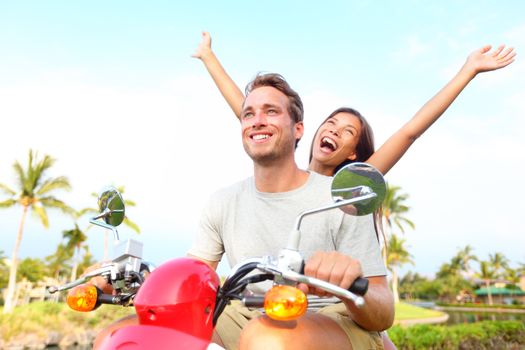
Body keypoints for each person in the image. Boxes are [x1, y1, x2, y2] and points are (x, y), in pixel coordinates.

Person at [187, 73, 394, 350]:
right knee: (153, 329)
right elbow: (191, 276)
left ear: (298, 129)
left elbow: (384, 312)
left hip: (330, 317)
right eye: (248, 114)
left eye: (271, 111)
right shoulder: (222, 201)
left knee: (267, 339)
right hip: (245, 314)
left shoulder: (342, 199)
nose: (258, 120)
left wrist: (352, 284)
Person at [192, 32, 516, 177]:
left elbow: (410, 132)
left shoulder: (348, 188)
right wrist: (208, 57)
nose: (333, 130)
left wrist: (468, 71)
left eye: (347, 131)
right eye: (331, 123)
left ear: (352, 153)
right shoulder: (288, 172)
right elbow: (249, 112)